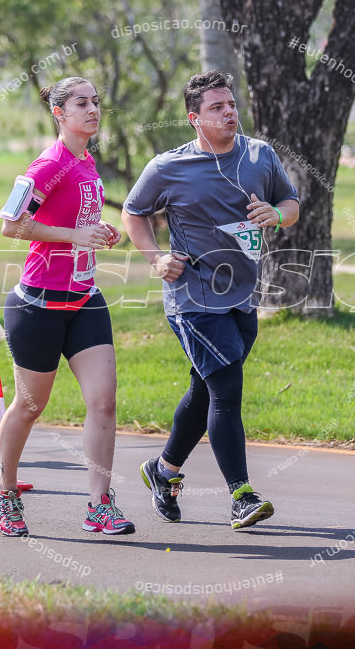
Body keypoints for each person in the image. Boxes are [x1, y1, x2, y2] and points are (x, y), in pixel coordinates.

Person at [121, 70, 300, 530]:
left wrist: (275, 215)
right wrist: (157, 259)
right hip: (193, 296)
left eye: (231, 105)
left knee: (205, 389)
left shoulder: (260, 155)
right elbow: (134, 212)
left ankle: (162, 472)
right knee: (226, 390)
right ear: (194, 118)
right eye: (217, 108)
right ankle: (241, 496)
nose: (228, 113)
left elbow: (291, 203)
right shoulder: (168, 167)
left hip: (242, 296)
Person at [0, 76, 134, 538]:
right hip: (38, 304)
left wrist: (100, 231)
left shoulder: (87, 161)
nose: (92, 109)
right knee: (30, 406)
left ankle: (99, 504)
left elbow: (73, 219)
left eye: (95, 101)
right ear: (59, 113)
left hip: (85, 297)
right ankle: (4, 491)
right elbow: (11, 226)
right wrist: (74, 236)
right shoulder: (49, 164)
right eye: (81, 103)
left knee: (103, 402)